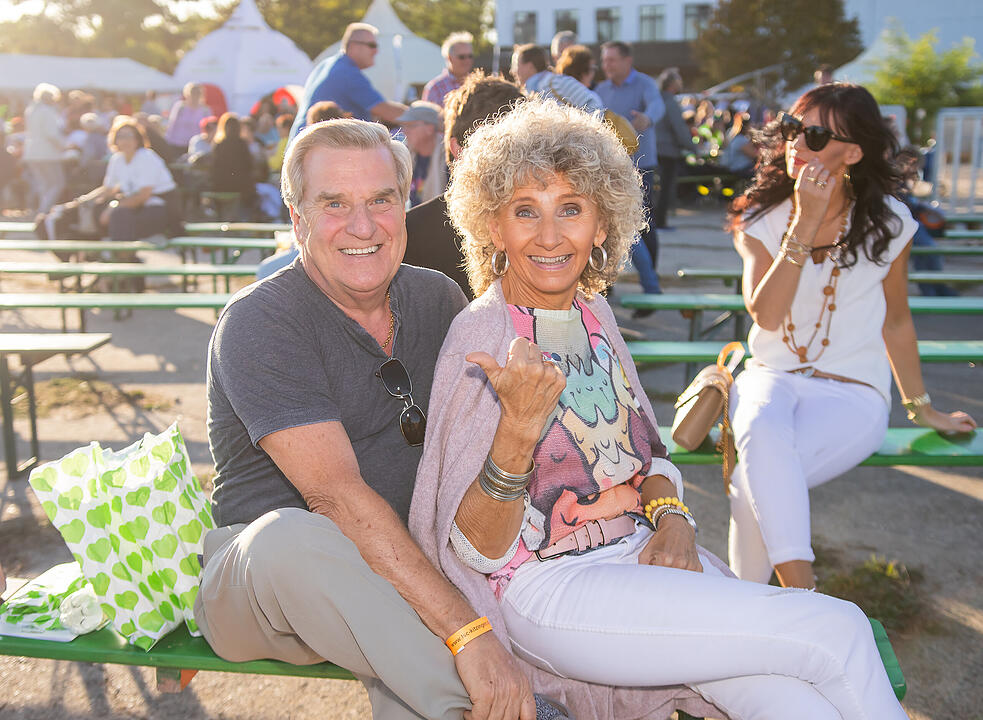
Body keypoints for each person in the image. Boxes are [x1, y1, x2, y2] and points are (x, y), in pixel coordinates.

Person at [409, 96, 913, 720]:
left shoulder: (594, 316)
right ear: (492, 225)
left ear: (602, 223)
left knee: (794, 702)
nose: (548, 234)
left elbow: (646, 454)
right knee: (837, 630)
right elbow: (476, 552)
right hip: (551, 588)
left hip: (639, 555)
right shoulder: (482, 337)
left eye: (571, 208)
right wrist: (516, 429)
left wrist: (673, 515)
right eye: (524, 211)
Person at [196, 116, 567, 720]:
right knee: (292, 537)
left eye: (380, 200)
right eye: (334, 204)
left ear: (407, 204)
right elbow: (337, 498)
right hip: (265, 591)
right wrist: (468, 633)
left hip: (397, 575)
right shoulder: (260, 321)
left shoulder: (438, 298)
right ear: (298, 219)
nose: (362, 226)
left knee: (418, 629)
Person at [727, 83, 976, 589]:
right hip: (770, 376)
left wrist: (921, 406)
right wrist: (806, 219)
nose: (797, 143)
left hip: (852, 394)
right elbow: (767, 316)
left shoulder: (890, 222)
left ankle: (750, 611)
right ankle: (804, 597)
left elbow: (897, 320)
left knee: (748, 480)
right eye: (794, 129)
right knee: (761, 427)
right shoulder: (759, 215)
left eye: (816, 135)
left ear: (854, 152)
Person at [405, 71, 525, 299]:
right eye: (500, 149)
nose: (514, 161)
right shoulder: (410, 235)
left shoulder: (544, 228)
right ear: (459, 149)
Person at [596, 41, 665, 297]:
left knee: (644, 226)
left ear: (627, 61)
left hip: (642, 167)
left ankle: (651, 283)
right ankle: (608, 285)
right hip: (611, 170)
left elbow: (658, 105)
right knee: (609, 227)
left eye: (612, 60)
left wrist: (648, 118)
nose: (607, 65)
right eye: (604, 60)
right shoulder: (601, 89)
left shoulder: (645, 84)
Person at [289, 23, 407, 140]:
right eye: (372, 45)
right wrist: (421, 114)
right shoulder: (346, 73)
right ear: (353, 46)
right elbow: (387, 111)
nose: (376, 51)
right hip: (315, 148)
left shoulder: (328, 64)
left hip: (305, 145)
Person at [71, 115, 177, 244]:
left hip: (160, 208)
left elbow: (143, 195)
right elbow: (109, 189)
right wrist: (82, 201)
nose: (125, 140)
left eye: (129, 136)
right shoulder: (117, 159)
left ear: (137, 139)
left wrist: (112, 209)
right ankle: (96, 252)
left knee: (119, 215)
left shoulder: (146, 157)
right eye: (121, 136)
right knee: (97, 207)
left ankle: (122, 256)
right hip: (137, 205)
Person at [511, 44, 602, 114]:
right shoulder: (529, 90)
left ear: (529, 66)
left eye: (515, 65)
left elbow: (593, 103)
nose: (512, 71)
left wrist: (585, 134)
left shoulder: (555, 82)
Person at [653, 68, 692, 230]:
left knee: (655, 188)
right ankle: (660, 221)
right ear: (673, 84)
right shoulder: (670, 102)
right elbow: (679, 128)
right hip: (668, 152)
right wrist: (692, 147)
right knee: (666, 188)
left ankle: (655, 221)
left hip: (654, 150)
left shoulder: (655, 100)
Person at [24, 82, 65, 216]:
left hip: (32, 152)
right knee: (57, 183)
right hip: (47, 153)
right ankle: (44, 210)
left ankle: (40, 209)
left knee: (43, 184)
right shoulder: (47, 112)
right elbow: (51, 134)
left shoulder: (31, 110)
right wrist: (63, 147)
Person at [397, 101, 446, 208]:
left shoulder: (448, 160)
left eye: (410, 126)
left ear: (429, 128)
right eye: (404, 126)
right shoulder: (404, 156)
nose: (405, 131)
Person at [210, 113, 256, 217]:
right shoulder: (243, 144)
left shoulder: (219, 145)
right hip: (242, 187)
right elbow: (249, 165)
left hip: (221, 186)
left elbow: (214, 168)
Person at [423, 32, 475, 109]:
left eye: (470, 56)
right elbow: (427, 118)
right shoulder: (435, 88)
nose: (467, 60)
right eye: (462, 57)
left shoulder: (479, 85)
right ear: (449, 58)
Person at [165, 82, 211, 155]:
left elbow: (209, 128)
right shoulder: (180, 107)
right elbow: (172, 125)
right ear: (187, 94)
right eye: (192, 93)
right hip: (177, 144)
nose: (194, 95)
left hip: (197, 146)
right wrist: (167, 141)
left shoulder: (205, 110)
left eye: (197, 93)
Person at [554, 45, 603, 109]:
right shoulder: (590, 99)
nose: (594, 73)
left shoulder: (551, 93)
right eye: (592, 68)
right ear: (582, 71)